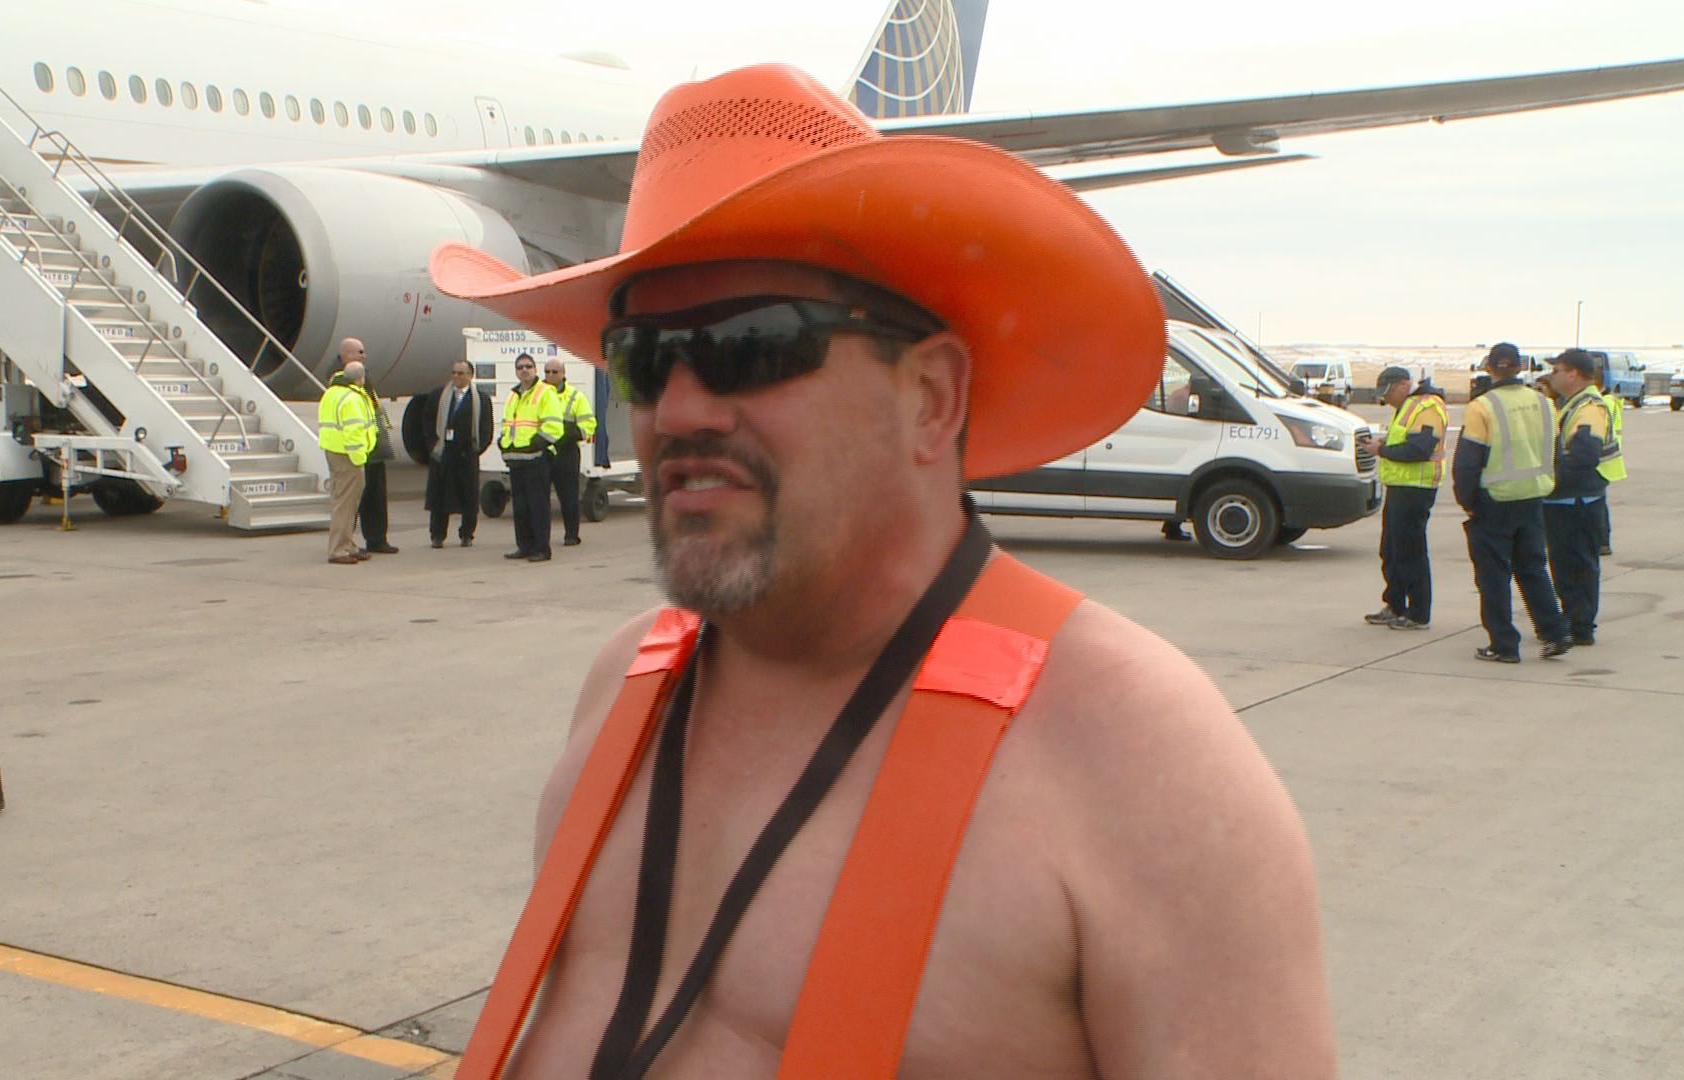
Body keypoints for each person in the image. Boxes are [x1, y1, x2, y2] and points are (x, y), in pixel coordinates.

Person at [430, 65, 1336, 1079]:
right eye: (643, 356)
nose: (678, 409)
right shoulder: (623, 690)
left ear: (932, 397)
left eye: (750, 344)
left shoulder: (1134, 759)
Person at [1454, 342, 1572, 663]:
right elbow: (1557, 452)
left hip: (1495, 499)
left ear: (1490, 368)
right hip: (1533, 496)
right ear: (1520, 367)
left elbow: (1467, 461)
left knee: (1493, 576)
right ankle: (1555, 632)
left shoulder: (1482, 407)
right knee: (1533, 568)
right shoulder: (1545, 403)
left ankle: (1504, 643)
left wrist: (1468, 501)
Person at [1360, 366, 1447, 629]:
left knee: (1410, 552)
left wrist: (1382, 449)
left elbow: (1419, 448)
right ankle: (1395, 604)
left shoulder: (1428, 406)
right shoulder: (1409, 407)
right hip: (1400, 486)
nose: (1386, 400)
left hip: (1416, 488)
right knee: (1392, 549)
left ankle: (1418, 612)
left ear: (1403, 384)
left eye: (1388, 393)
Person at [1544, 349, 1618, 646]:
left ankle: (1579, 625)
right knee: (1568, 565)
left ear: (1573, 374)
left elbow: (1583, 455)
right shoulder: (1572, 405)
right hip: (1572, 498)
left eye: (1557, 370)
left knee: (1575, 565)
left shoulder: (1588, 408)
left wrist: (1550, 482)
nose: (1553, 376)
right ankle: (1576, 621)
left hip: (1575, 500)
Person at [498, 353, 563, 562]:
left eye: (528, 366)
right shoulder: (513, 395)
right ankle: (524, 546)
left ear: (535, 369)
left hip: (536, 459)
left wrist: (538, 444)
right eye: (520, 367)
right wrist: (503, 442)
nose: (524, 370)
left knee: (538, 506)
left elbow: (554, 426)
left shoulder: (546, 393)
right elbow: (508, 424)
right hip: (516, 459)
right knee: (520, 507)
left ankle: (542, 548)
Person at [424, 358, 493, 548]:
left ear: (470, 376)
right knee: (440, 497)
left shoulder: (481, 399)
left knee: (469, 497)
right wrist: (433, 446)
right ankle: (437, 535)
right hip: (443, 453)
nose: (456, 377)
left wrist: (476, 450)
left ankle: (467, 534)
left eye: (461, 373)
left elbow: (486, 428)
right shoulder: (439, 396)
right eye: (454, 373)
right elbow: (428, 422)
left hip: (466, 454)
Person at [340, 338, 400, 555]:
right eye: (360, 352)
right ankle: (346, 543)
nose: (365, 356)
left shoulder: (363, 375)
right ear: (347, 355)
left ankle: (376, 538)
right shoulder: (342, 379)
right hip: (356, 450)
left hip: (372, 446)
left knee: (376, 495)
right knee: (352, 500)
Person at [319, 359, 376, 565]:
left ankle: (347, 544)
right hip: (348, 456)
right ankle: (338, 550)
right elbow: (354, 431)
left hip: (334, 451)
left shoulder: (332, 392)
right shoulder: (352, 398)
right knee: (345, 504)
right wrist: (359, 458)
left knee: (344, 502)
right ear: (360, 378)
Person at [544, 357, 598, 547]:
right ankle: (541, 537)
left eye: (555, 372)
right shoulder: (537, 394)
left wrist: (565, 432)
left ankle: (571, 534)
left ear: (563, 374)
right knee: (540, 498)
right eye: (547, 372)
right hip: (543, 451)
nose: (550, 375)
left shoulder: (576, 396)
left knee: (569, 496)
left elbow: (588, 425)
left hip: (566, 451)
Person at [1593, 364, 1627, 556]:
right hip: (1611, 456)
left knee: (1597, 504)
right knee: (1600, 502)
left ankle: (1602, 541)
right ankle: (1603, 541)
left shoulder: (1601, 403)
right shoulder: (1611, 401)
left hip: (1602, 456)